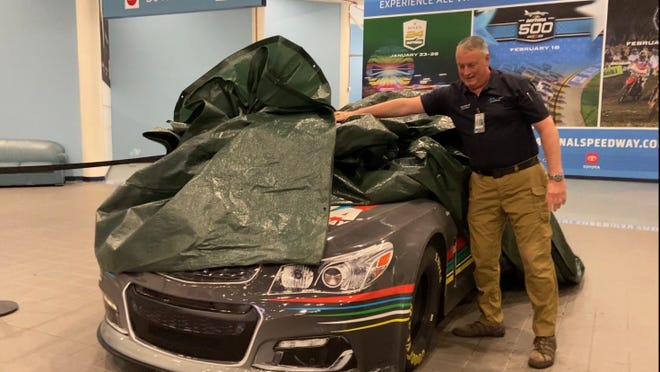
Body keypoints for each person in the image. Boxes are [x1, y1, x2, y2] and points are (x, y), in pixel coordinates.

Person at [335, 35, 566, 369]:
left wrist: (556, 178)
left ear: (487, 60)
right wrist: (355, 114)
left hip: (523, 180)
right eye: (461, 66)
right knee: (484, 256)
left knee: (536, 260)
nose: (467, 72)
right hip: (482, 184)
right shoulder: (453, 95)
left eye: (472, 65)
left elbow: (547, 129)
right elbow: (404, 106)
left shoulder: (515, 87)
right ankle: (491, 319)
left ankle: (545, 336)